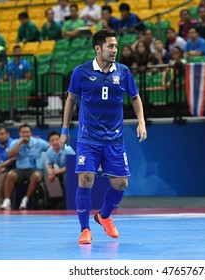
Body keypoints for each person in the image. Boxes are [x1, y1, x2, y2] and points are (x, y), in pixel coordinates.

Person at [60, 29, 147, 244]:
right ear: (97, 49)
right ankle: (84, 230)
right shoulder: (81, 72)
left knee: (121, 185)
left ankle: (104, 216)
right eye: (110, 46)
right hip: (88, 138)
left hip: (114, 140)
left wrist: (141, 122)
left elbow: (135, 98)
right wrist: (64, 130)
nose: (114, 50)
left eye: (116, 46)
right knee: (85, 179)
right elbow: (71, 100)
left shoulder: (124, 72)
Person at [1, 124, 49, 210]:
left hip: (34, 169)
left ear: (31, 133)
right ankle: (7, 200)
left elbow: (50, 148)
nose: (25, 134)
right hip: (19, 169)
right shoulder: (15, 143)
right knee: (10, 175)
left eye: (27, 132)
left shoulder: (38, 142)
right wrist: (19, 144)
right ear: (19, 134)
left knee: (37, 176)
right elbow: (10, 155)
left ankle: (25, 199)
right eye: (23, 132)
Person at [46, 131, 75, 198]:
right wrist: (50, 172)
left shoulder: (68, 149)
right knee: (49, 178)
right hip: (60, 171)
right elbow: (49, 165)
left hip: (72, 170)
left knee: (65, 177)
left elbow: (72, 165)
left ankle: (68, 199)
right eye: (52, 140)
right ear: (49, 142)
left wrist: (55, 172)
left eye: (57, 139)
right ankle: (55, 200)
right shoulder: (49, 151)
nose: (55, 142)